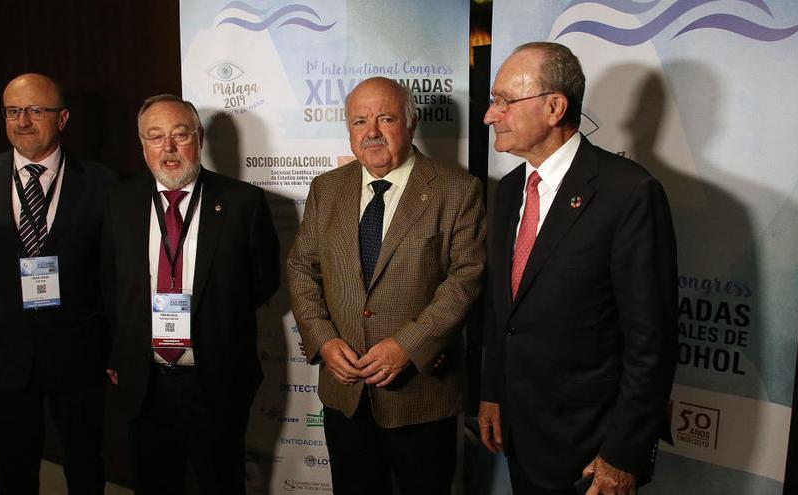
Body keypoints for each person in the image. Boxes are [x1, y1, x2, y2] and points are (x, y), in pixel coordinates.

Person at [478, 41, 679, 495]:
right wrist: (493, 392)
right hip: (521, 436)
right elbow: (504, 311)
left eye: (503, 101)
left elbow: (652, 344)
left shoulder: (629, 194)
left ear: (554, 107)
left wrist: (622, 455)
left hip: (592, 454)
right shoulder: (510, 190)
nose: (491, 115)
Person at [287, 77, 486, 495]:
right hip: (345, 393)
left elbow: (465, 280)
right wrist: (323, 341)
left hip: (421, 396)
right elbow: (302, 270)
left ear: (412, 123)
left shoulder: (457, 189)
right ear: (349, 131)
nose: (372, 131)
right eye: (360, 121)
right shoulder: (326, 188)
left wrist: (407, 346)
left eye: (386, 118)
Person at [0, 73, 114, 494]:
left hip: (79, 357)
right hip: (1, 359)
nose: (23, 121)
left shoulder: (101, 183)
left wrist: (118, 349)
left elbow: (114, 276)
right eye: (13, 111)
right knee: (13, 472)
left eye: (35, 110)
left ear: (62, 118)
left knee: (86, 468)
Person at [102, 94, 280, 495]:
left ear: (199, 139)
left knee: (220, 483)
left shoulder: (241, 203)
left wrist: (212, 316)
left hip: (214, 378)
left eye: (180, 134)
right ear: (143, 145)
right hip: (145, 381)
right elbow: (111, 284)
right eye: (155, 136)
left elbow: (263, 281)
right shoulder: (119, 201)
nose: (168, 147)